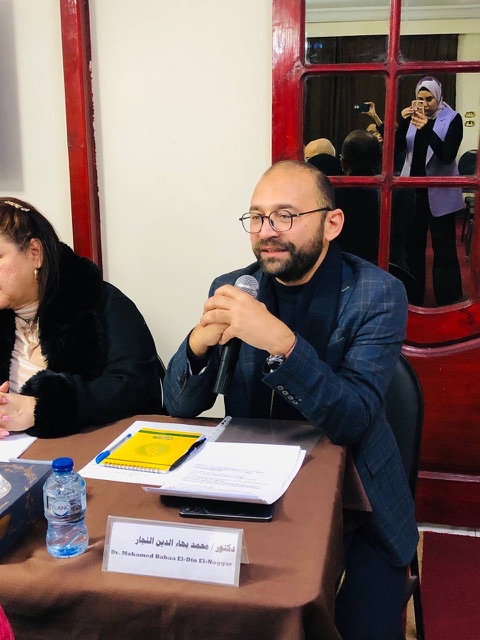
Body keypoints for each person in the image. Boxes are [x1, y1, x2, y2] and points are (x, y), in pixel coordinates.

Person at [164, 160, 419, 640]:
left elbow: (352, 419)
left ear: (332, 223)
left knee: (355, 627)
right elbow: (178, 405)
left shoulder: (378, 295)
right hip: (247, 487)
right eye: (257, 217)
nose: (267, 231)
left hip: (354, 501)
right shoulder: (237, 286)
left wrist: (281, 343)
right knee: (199, 613)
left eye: (285, 215)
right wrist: (198, 345)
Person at [0, 198, 164, 439]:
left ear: (35, 253)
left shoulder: (100, 303)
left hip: (97, 448)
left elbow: (134, 388)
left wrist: (43, 407)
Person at [396, 76, 464, 306]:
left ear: (438, 98)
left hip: (440, 192)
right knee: (412, 248)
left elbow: (447, 156)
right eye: (420, 99)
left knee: (444, 249)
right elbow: (397, 149)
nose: (424, 104)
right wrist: (402, 122)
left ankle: (449, 298)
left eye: (429, 99)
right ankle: (413, 296)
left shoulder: (452, 118)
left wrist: (426, 128)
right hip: (412, 192)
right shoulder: (412, 119)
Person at [336, 129, 415, 271]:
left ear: (343, 163)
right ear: (380, 159)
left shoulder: (333, 194)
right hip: (393, 270)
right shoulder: (402, 190)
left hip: (346, 271)